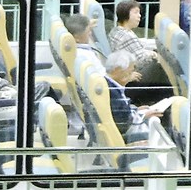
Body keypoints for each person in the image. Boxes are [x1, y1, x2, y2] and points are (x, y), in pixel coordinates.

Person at [61, 12, 172, 141]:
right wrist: (144, 114)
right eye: (88, 31)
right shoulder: (109, 89)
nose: (90, 34)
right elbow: (123, 121)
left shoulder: (84, 55)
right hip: (125, 127)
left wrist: (137, 109)